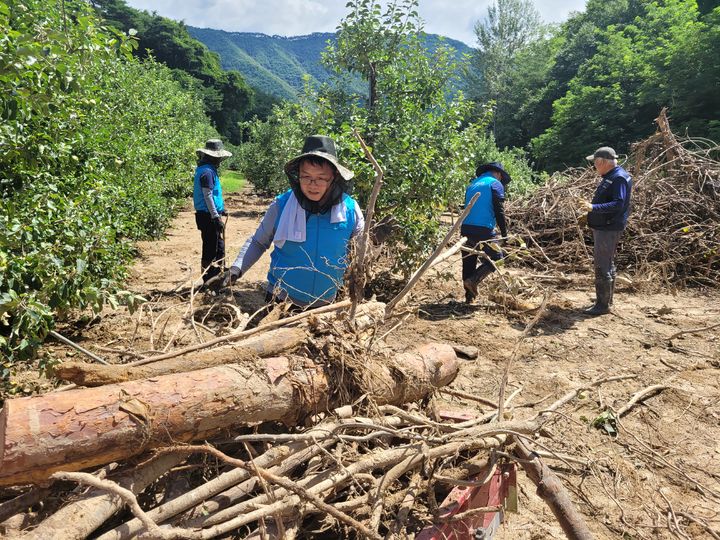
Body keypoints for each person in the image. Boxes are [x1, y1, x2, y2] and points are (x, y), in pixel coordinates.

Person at [222, 135, 365, 308]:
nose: (312, 184)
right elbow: (259, 241)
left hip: (327, 305)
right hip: (281, 301)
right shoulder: (281, 206)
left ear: (334, 177)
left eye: (320, 178)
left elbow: (361, 250)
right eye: (306, 177)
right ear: (298, 176)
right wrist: (236, 269)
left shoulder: (350, 210)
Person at [579, 146, 633, 316]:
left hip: (608, 228)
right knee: (607, 263)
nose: (594, 166)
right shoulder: (611, 176)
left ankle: (602, 305)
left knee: (603, 265)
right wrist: (589, 213)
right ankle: (606, 301)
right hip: (605, 226)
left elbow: (618, 203)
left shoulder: (618, 178)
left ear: (602, 162)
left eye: (595, 163)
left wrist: (593, 207)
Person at [461, 162, 511, 303]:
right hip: (483, 228)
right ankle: (473, 280)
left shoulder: (472, 184)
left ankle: (469, 299)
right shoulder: (495, 184)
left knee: (468, 261)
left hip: (465, 227)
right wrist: (504, 232)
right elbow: (499, 210)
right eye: (501, 178)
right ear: (499, 174)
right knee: (497, 257)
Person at [193, 139, 232, 285]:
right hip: (207, 216)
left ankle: (218, 272)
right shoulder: (207, 172)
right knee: (210, 247)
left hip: (209, 214)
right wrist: (215, 216)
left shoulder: (206, 170)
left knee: (218, 245)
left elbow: (212, 195)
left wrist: (221, 210)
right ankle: (207, 277)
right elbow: (207, 195)